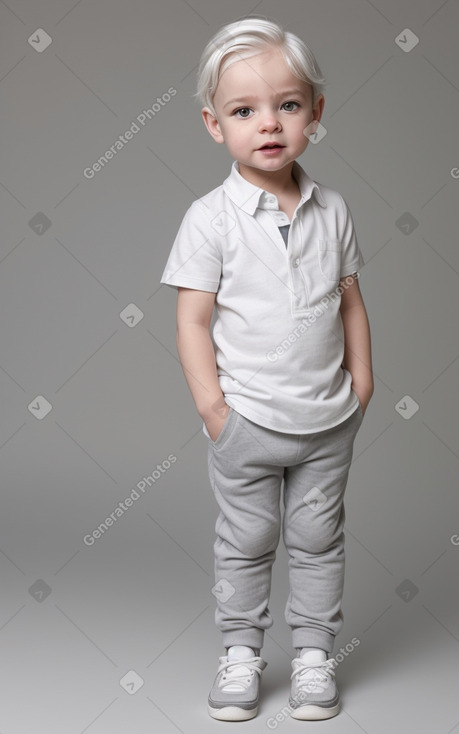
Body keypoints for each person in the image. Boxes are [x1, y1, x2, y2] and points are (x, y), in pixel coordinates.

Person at [160, 15, 374, 722]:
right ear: (213, 124)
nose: (269, 123)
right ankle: (241, 652)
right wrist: (214, 412)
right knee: (247, 541)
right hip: (247, 419)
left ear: (315, 112)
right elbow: (192, 321)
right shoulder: (210, 219)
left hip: (326, 417)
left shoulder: (333, 208)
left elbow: (348, 299)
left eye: (286, 104)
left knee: (318, 539)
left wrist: (362, 381)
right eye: (243, 110)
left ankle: (314, 656)